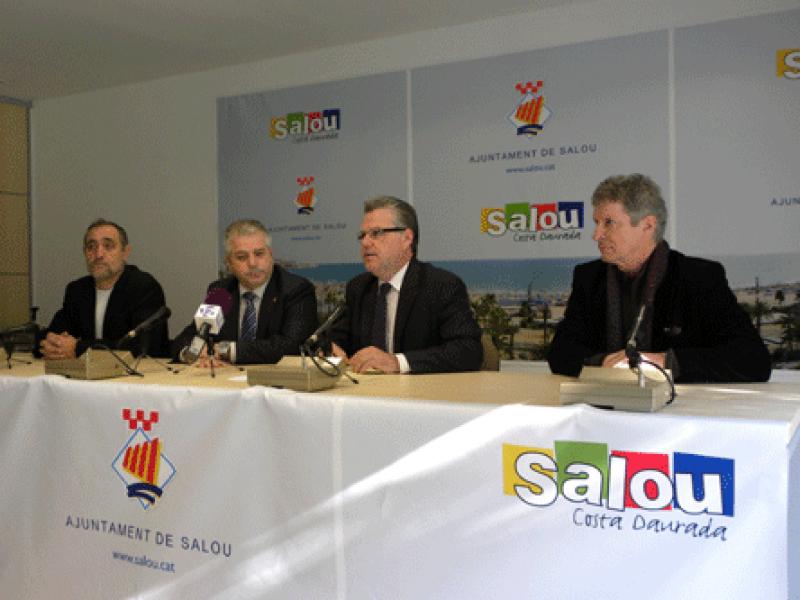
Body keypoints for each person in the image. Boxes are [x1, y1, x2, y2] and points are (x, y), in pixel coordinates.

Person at [547, 174, 771, 383]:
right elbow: (560, 352)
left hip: (679, 408)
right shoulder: (589, 278)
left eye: (608, 223)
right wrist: (602, 363)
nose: (596, 235)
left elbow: (753, 360)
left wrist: (666, 363)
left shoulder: (698, 277)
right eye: (596, 223)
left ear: (648, 225)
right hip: (600, 405)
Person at [330, 196, 482, 373]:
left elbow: (468, 351)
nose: (365, 242)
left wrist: (398, 362)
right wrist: (330, 348)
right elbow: (338, 338)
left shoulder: (441, 286)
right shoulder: (359, 288)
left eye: (376, 233)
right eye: (362, 235)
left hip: (422, 389)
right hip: (368, 388)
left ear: (407, 238)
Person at [172, 219, 317, 365]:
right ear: (229, 263)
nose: (252, 263)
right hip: (225, 376)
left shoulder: (296, 289)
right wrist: (192, 353)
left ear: (270, 255)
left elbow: (293, 345)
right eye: (242, 257)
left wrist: (227, 350)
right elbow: (188, 338)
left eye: (259, 254)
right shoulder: (221, 292)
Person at [38, 219, 169, 359]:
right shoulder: (77, 290)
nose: (98, 254)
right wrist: (51, 345)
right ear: (84, 253)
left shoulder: (143, 287)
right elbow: (53, 335)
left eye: (108, 246)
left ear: (125, 253)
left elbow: (143, 346)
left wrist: (78, 348)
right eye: (91, 247)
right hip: (87, 371)